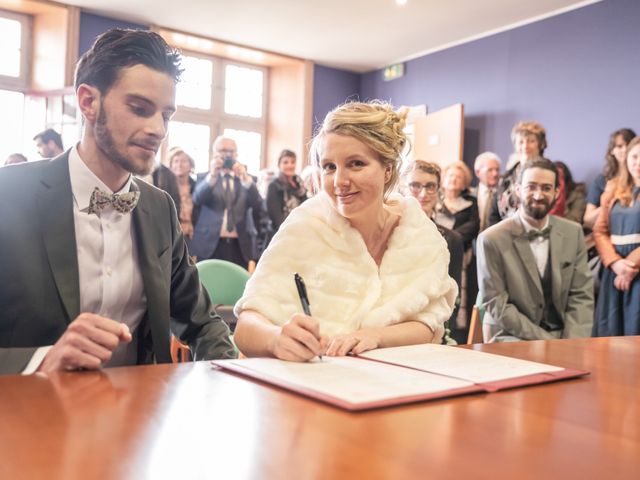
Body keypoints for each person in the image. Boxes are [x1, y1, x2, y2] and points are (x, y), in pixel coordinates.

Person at [0, 28, 235, 375]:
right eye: (140, 108)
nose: (159, 129)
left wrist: (235, 382)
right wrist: (41, 360)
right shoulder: (9, 194)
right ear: (88, 102)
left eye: (166, 115)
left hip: (138, 417)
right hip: (27, 416)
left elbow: (202, 322)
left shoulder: (159, 208)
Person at [233, 101, 458, 361]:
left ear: (388, 169)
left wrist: (376, 336)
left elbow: (429, 326)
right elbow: (245, 327)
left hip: (390, 387)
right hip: (307, 387)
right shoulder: (305, 227)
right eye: (329, 167)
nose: (339, 181)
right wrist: (275, 339)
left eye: (356, 164)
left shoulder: (418, 235)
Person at [477, 158, 594, 342]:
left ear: (556, 192)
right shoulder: (491, 239)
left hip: (563, 336)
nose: (538, 195)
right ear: (518, 189)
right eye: (531, 187)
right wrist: (547, 343)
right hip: (509, 336)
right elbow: (496, 303)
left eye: (546, 188)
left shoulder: (574, 232)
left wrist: (572, 343)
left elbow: (581, 295)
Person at [403, 160, 464, 344]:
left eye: (430, 187)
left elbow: (453, 298)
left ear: (439, 191)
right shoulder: (387, 233)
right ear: (402, 188)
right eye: (415, 186)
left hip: (435, 331)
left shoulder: (452, 239)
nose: (423, 194)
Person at [190, 136, 264, 267]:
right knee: (207, 284)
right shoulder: (205, 177)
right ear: (215, 153)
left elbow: (257, 204)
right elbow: (197, 199)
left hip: (239, 245)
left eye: (231, 151)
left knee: (236, 284)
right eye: (223, 150)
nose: (228, 154)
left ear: (236, 154)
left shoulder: (247, 179)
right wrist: (213, 175)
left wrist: (245, 178)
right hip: (210, 243)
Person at [593, 136, 640, 336]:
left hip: (635, 271)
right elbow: (600, 231)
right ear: (627, 158)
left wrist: (631, 266)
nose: (638, 163)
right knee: (610, 332)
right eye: (635, 157)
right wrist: (615, 263)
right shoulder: (612, 189)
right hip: (614, 272)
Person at [488, 121, 547, 226]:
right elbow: (493, 214)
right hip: (504, 235)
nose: (525, 146)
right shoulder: (505, 178)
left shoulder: (550, 173)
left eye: (531, 141)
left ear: (540, 144)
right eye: (521, 142)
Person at [583, 128, 636, 229]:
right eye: (619, 146)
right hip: (609, 233)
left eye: (628, 145)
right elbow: (588, 220)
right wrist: (609, 202)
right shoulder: (602, 180)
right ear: (612, 150)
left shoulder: (637, 178)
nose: (625, 149)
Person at [266, 149, 307, 232]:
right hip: (282, 232)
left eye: (293, 162)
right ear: (279, 165)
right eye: (285, 162)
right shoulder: (274, 185)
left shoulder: (299, 184)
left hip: (299, 228)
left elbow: (305, 207)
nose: (290, 165)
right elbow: (276, 218)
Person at [168, 147, 197, 243]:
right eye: (176, 161)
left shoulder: (197, 186)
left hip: (193, 235)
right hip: (171, 234)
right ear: (171, 165)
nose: (179, 164)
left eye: (184, 161)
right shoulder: (164, 187)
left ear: (190, 165)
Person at [472, 151, 501, 232]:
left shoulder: (503, 196)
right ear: (478, 172)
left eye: (497, 170)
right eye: (490, 170)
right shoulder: (469, 196)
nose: (495, 174)